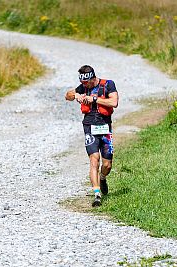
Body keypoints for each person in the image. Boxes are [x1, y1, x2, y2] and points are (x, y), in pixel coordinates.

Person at [65, 65, 119, 207]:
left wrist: (94, 99)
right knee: (94, 159)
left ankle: (102, 178)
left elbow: (114, 102)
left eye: (86, 83)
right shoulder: (83, 87)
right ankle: (97, 195)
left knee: (107, 164)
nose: (84, 86)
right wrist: (76, 95)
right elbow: (67, 95)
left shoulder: (108, 85)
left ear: (92, 78)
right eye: (82, 83)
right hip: (89, 126)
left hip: (105, 127)